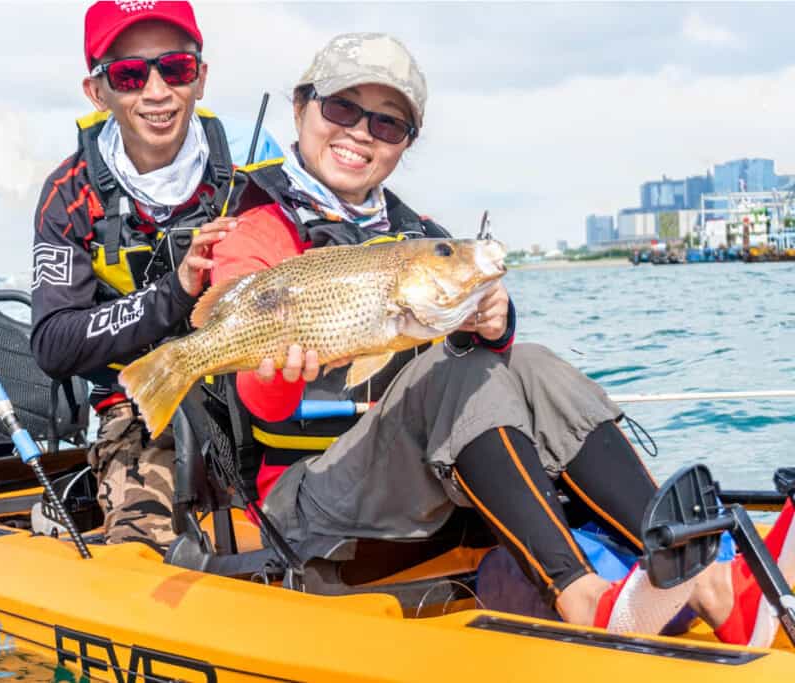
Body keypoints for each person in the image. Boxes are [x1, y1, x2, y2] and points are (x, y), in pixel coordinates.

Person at [211, 33, 795, 646]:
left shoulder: (420, 238)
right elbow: (255, 400)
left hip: (410, 480)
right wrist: (279, 368)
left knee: (531, 360)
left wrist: (493, 323)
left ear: (405, 145)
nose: (361, 132)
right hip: (303, 501)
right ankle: (579, 593)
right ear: (301, 106)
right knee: (460, 376)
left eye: (388, 124)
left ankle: (702, 569)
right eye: (341, 108)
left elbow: (490, 367)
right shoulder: (255, 228)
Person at [30, 1, 279, 552]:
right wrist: (174, 293)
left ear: (201, 77)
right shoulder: (69, 194)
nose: (157, 91)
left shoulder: (256, 160)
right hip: (137, 399)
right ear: (98, 92)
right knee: (143, 540)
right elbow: (52, 343)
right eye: (128, 75)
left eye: (176, 69)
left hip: (255, 381)